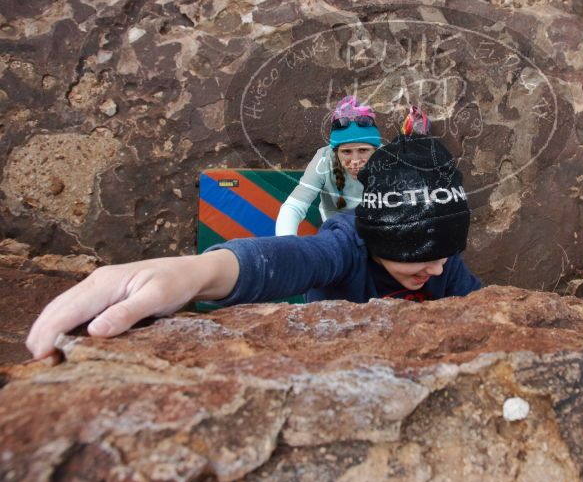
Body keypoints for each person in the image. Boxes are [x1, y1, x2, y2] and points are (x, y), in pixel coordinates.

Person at [26, 130, 482, 360]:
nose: (438, 272)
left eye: (444, 256)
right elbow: (289, 260)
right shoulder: (347, 246)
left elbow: (480, 305)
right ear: (379, 240)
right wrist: (192, 274)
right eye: (419, 260)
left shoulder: (446, 266)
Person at [275, 96, 381, 236]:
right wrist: (286, 245)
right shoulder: (324, 160)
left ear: (376, 149)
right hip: (336, 229)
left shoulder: (388, 159)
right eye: (346, 152)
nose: (355, 160)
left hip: (375, 228)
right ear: (335, 152)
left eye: (363, 150)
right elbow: (294, 207)